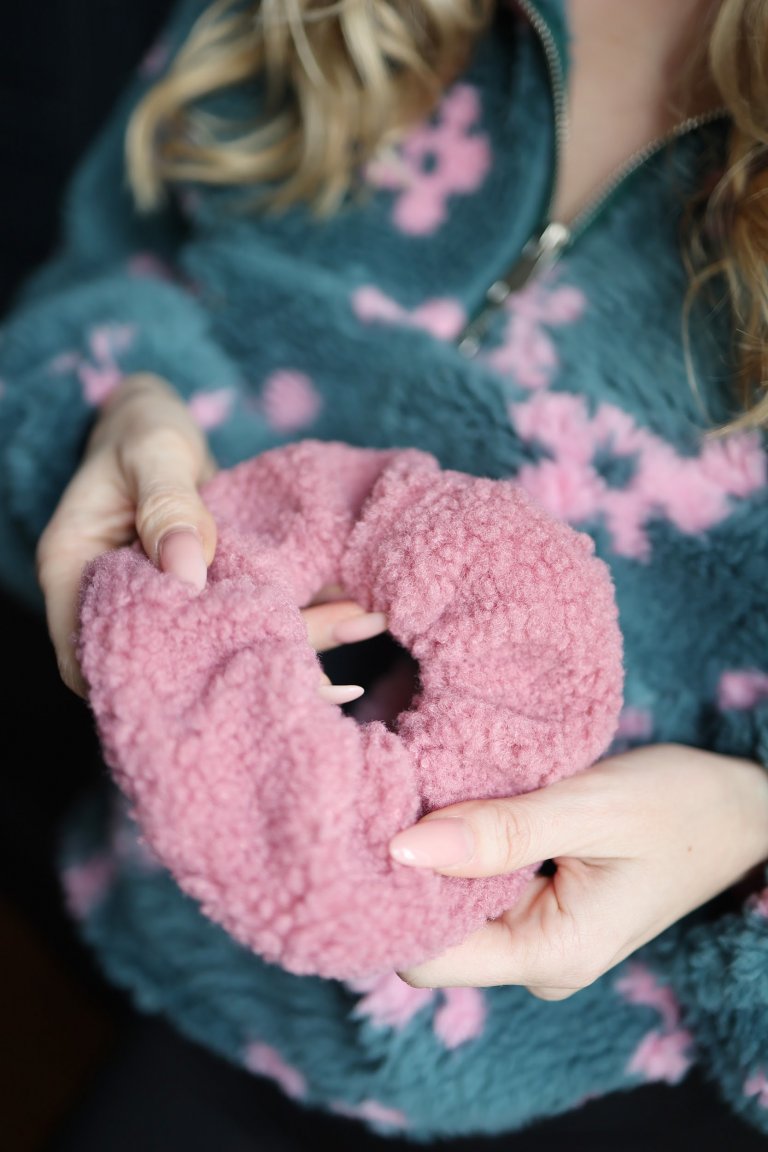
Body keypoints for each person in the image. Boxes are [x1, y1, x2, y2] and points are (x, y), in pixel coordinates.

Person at [2, 0, 768, 1147]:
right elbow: (110, 270)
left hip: (623, 1079)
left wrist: (752, 836)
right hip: (179, 960)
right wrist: (119, 404)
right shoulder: (312, 17)